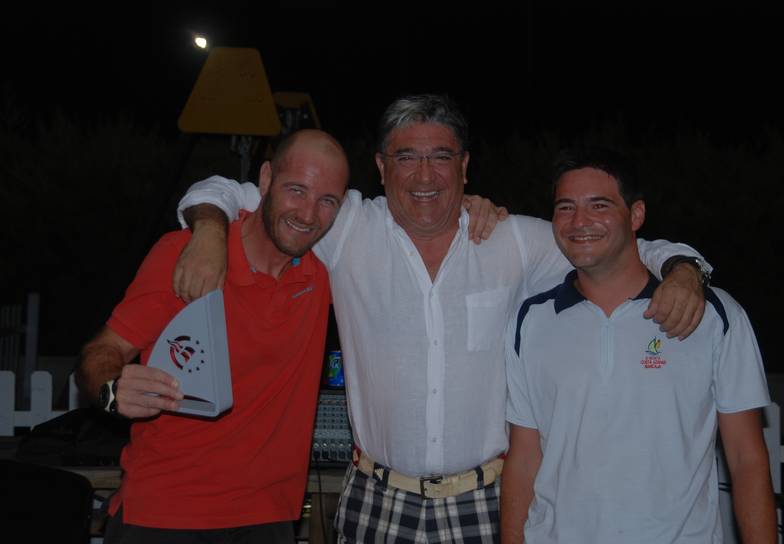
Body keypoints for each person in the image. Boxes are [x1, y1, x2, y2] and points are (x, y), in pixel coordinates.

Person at [174, 95, 710, 542]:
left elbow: (610, 244)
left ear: (465, 166)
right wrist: (209, 230)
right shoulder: (346, 227)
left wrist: (683, 268)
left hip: (486, 500)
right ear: (381, 167)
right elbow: (228, 191)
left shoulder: (510, 240)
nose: (425, 175)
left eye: (441, 157)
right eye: (406, 157)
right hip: (376, 498)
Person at [75, 129, 349, 543]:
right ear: (266, 179)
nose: (308, 214)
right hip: (166, 512)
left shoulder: (323, 274)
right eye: (297, 190)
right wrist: (113, 392)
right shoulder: (187, 255)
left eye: (327, 201)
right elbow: (101, 352)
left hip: (268, 515)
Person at [501, 147, 776, 543]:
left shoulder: (714, 314)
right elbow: (524, 458)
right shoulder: (530, 320)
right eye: (565, 207)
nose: (579, 221)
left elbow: (746, 458)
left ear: (636, 215)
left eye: (599, 205)